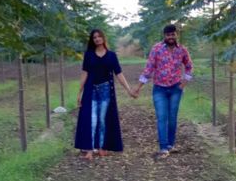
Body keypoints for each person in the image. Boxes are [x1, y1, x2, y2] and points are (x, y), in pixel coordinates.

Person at [75, 29, 135, 160]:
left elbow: (119, 73)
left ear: (103, 38)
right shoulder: (89, 55)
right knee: (92, 120)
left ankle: (102, 147)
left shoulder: (111, 56)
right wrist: (79, 92)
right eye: (94, 37)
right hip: (91, 90)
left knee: (102, 120)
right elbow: (85, 73)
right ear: (92, 40)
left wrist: (128, 90)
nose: (97, 39)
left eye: (99, 36)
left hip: (106, 90)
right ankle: (89, 150)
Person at [135, 24, 193, 158]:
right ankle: (163, 148)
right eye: (168, 35)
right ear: (164, 36)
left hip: (176, 89)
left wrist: (184, 82)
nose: (170, 37)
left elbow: (189, 66)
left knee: (172, 118)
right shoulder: (156, 49)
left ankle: (170, 145)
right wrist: (138, 87)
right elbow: (149, 68)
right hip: (159, 89)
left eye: (173, 34)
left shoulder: (182, 50)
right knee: (162, 117)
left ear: (176, 34)